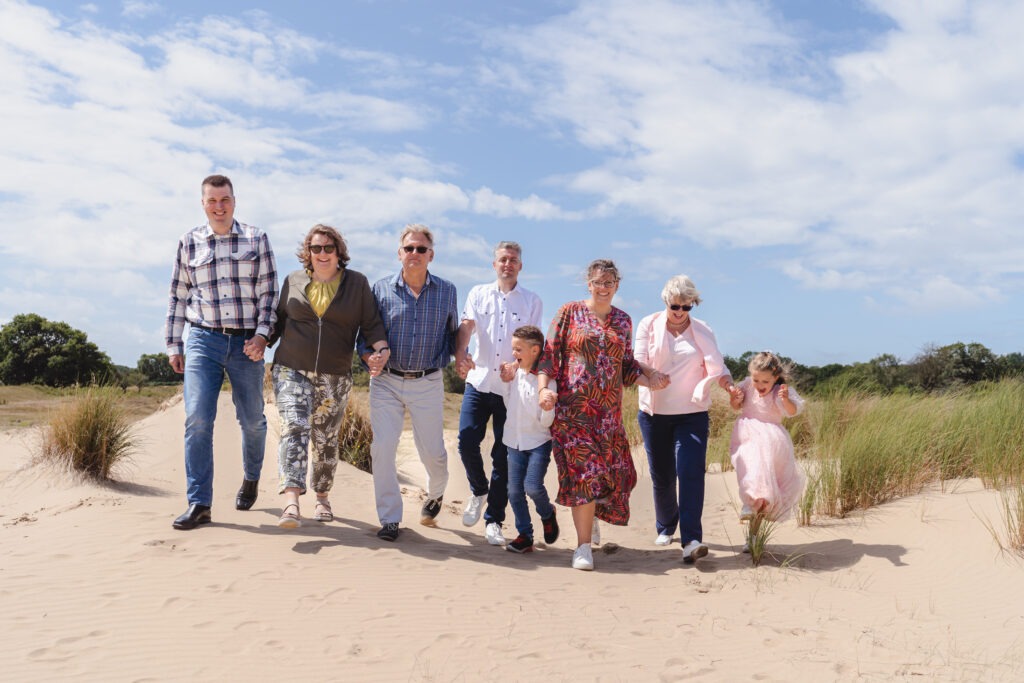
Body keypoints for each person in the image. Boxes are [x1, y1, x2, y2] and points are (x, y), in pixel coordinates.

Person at [165, 174, 279, 530]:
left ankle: (251, 477)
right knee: (197, 419)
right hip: (202, 339)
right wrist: (174, 343)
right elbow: (178, 296)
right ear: (203, 203)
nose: (219, 206)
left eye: (224, 199)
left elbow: (269, 295)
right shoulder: (189, 242)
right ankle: (199, 503)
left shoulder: (256, 238)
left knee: (252, 421)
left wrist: (262, 337)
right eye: (212, 200)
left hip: (247, 343)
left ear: (234, 200)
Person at [537, 259, 657, 571]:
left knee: (616, 477)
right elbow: (550, 354)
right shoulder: (568, 313)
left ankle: (588, 519)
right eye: (597, 282)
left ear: (617, 286)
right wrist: (543, 389)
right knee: (584, 477)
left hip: (608, 416)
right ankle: (582, 547)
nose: (602, 288)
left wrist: (652, 378)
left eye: (609, 283)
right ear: (588, 284)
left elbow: (627, 366)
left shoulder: (623, 321)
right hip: (573, 413)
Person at [268, 225, 389, 529]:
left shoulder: (357, 284)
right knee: (294, 426)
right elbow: (277, 321)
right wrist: (259, 341)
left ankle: (322, 497)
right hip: (291, 367)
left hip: (335, 374)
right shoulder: (293, 281)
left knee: (325, 439)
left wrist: (380, 349)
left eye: (328, 248)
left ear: (339, 252)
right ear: (307, 253)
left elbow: (371, 324)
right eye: (316, 248)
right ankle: (292, 499)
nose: (322, 254)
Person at [359, 224, 459, 542]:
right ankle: (390, 519)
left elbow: (453, 334)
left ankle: (436, 493)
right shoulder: (380, 289)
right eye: (409, 248)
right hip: (386, 381)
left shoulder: (447, 291)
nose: (414, 253)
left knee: (432, 452)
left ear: (431, 255)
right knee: (383, 446)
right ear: (399, 253)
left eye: (421, 249)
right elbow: (366, 335)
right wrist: (368, 357)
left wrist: (461, 357)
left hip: (428, 381)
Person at [634, 274, 738, 563]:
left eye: (686, 307)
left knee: (690, 472)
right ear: (665, 301)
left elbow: (718, 365)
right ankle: (666, 525)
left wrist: (729, 386)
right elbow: (637, 360)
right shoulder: (648, 324)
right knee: (663, 476)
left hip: (692, 414)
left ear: (694, 304)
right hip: (654, 413)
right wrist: (652, 376)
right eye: (674, 306)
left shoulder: (703, 330)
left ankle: (692, 539)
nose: (680, 312)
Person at [454, 241, 543, 546]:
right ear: (494, 265)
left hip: (511, 390)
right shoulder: (478, 293)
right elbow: (466, 327)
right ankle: (478, 489)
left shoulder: (532, 300)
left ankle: (494, 521)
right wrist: (461, 353)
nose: (508, 264)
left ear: (520, 266)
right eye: (503, 259)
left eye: (514, 260)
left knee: (503, 458)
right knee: (466, 441)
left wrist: (516, 366)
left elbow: (532, 344)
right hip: (479, 382)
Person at [729, 350, 805, 549]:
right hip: (747, 434)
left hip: (772, 440)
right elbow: (735, 407)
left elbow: (792, 412)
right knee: (752, 468)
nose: (760, 386)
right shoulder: (746, 385)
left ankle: (752, 537)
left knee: (766, 495)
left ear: (775, 378)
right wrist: (736, 399)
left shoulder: (780, 390)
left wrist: (786, 399)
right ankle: (748, 501)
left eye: (765, 382)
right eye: (756, 380)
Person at [497, 326, 558, 554]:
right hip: (513, 442)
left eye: (518, 349)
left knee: (532, 487)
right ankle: (525, 535)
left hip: (538, 443)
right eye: (513, 348)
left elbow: (545, 423)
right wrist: (505, 382)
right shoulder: (515, 375)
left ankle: (547, 512)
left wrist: (549, 407)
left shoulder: (547, 383)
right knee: (514, 492)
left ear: (535, 350)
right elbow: (507, 404)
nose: (513, 353)